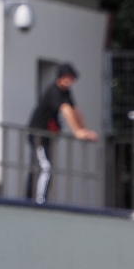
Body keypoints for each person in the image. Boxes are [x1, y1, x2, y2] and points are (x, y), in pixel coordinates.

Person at [25, 63, 98, 204]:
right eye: (67, 77)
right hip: (38, 135)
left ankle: (36, 198)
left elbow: (75, 110)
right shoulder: (54, 91)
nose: (69, 81)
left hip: (47, 136)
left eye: (71, 78)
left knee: (42, 167)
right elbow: (66, 110)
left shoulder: (66, 92)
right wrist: (78, 132)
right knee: (44, 167)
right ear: (61, 77)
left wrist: (85, 130)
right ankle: (38, 200)